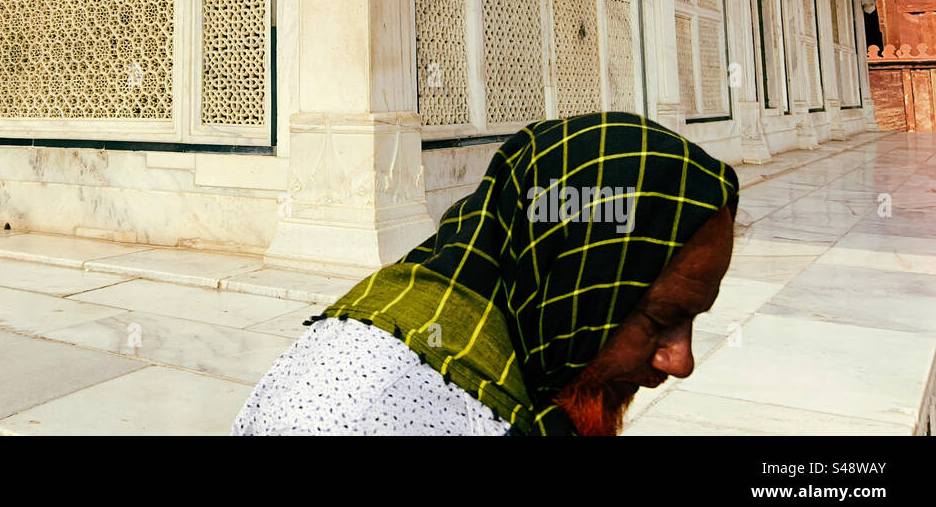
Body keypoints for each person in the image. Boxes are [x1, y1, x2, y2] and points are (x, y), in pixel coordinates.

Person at [233, 111, 739, 436]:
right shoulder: (354, 410)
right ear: (577, 280)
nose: (681, 362)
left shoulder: (534, 350)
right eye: (658, 321)